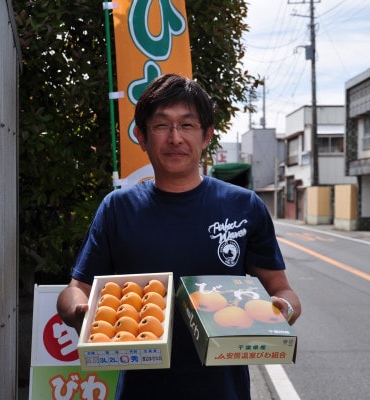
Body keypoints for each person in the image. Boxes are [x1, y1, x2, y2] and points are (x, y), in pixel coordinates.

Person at [57, 73, 301, 400]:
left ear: (207, 136)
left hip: (224, 391)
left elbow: (281, 289)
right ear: (142, 138)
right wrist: (80, 312)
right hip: (140, 391)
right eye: (162, 126)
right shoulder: (118, 209)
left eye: (187, 125)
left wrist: (280, 310)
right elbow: (75, 290)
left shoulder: (243, 205)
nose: (175, 138)